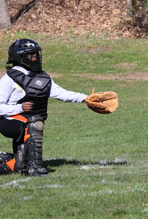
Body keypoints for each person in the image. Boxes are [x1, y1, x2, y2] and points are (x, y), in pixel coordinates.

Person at [0, 39, 88, 176]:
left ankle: (8, 161)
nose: (35, 57)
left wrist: (86, 98)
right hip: (7, 121)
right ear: (20, 57)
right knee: (35, 123)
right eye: (31, 54)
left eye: (36, 54)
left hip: (27, 120)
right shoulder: (9, 79)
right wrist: (19, 108)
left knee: (18, 166)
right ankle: (34, 167)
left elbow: (61, 93)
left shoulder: (42, 77)